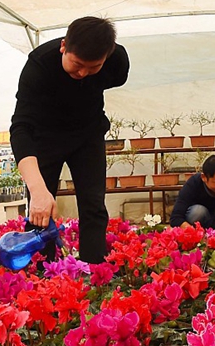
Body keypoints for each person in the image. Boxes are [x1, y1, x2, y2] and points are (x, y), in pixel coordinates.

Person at [10, 16, 129, 264]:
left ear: (107, 57)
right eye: (76, 64)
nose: (83, 73)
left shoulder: (117, 62)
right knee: (41, 209)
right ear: (64, 46)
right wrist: (38, 189)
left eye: (94, 67)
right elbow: (21, 128)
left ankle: (94, 268)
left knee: (93, 204)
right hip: (45, 138)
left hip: (88, 135)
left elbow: (111, 78)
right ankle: (45, 272)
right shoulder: (39, 67)